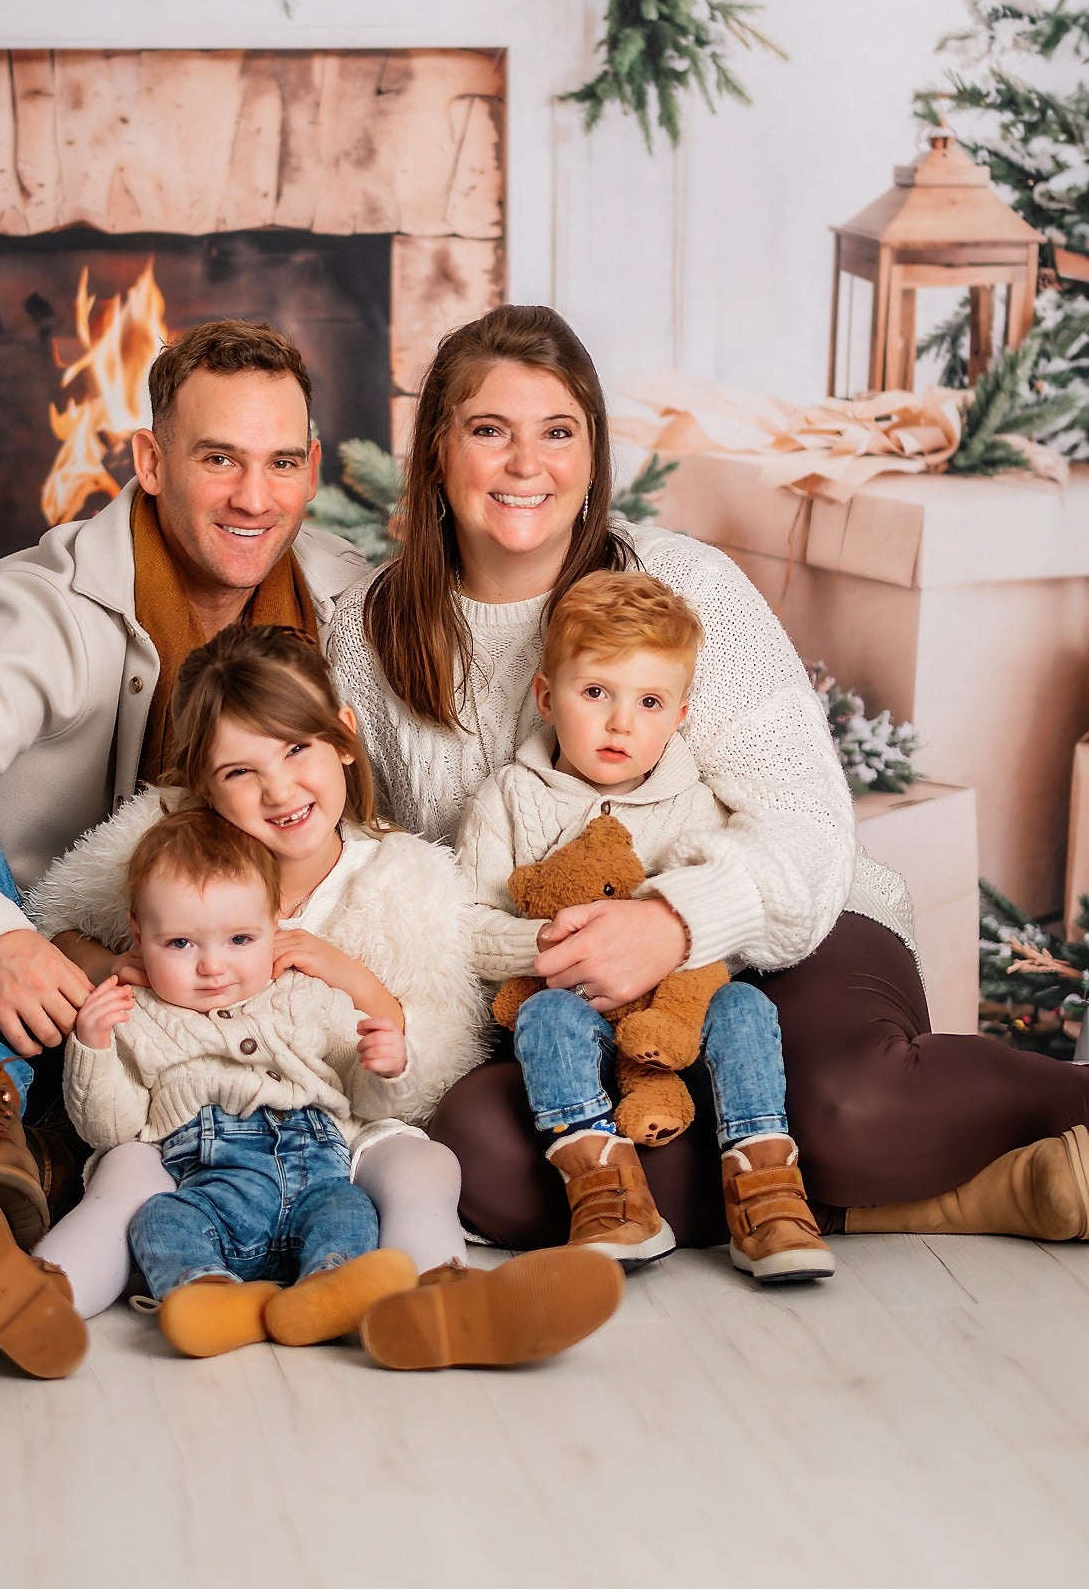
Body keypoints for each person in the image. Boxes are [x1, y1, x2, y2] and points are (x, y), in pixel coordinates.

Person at [326, 303, 1089, 1251]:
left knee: (843, 1105)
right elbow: (373, 869)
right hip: (562, 998)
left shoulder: (681, 586)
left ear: (593, 456)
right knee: (484, 1161)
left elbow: (807, 823)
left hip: (778, 946)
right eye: (490, 431)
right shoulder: (365, 633)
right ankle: (934, 1198)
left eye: (557, 433)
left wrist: (672, 922)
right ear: (438, 453)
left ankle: (1058, 1121)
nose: (527, 466)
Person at [0, 321, 365, 1248]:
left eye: (281, 463)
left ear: (313, 469)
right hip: (33, 1004)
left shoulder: (344, 597)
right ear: (151, 461)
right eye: (218, 459)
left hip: (232, 1000)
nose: (253, 497)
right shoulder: (46, 604)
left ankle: (59, 1176)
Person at [25, 622, 621, 1368]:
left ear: (342, 737)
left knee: (424, 1167)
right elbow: (53, 921)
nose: (279, 791)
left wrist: (365, 996)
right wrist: (119, 964)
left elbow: (433, 1051)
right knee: (120, 1176)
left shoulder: (404, 877)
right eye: (239, 773)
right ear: (203, 786)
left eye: (295, 749)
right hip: (186, 1129)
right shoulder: (173, 841)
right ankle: (39, 1296)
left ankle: (438, 1303)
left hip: (337, 1122)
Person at [0, 805, 422, 1373]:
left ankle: (328, 1288)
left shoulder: (308, 997)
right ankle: (203, 1295)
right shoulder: (134, 1014)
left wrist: (386, 1067)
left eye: (241, 939)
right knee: (157, 1222)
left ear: (276, 927)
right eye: (181, 945)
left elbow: (366, 1104)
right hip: (210, 1194)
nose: (213, 966)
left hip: (317, 1182)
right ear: (140, 936)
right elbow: (111, 1130)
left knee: (350, 1209)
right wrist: (92, 1046)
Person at [457, 571, 834, 1282]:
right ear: (546, 696)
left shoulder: (692, 805)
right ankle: (606, 1190)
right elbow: (467, 926)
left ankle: (766, 1187)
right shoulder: (508, 796)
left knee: (745, 1005)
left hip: (674, 1017)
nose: (620, 723)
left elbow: (715, 932)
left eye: (649, 702)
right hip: (579, 1013)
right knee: (543, 1018)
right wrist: (543, 944)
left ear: (679, 714)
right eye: (595, 692)